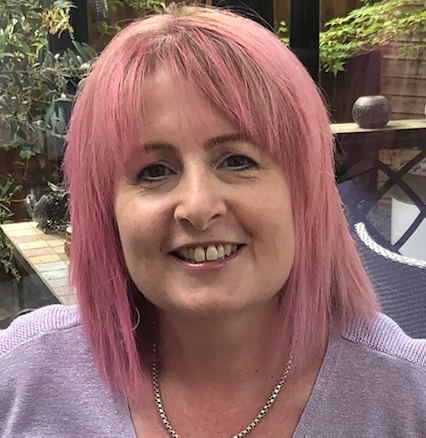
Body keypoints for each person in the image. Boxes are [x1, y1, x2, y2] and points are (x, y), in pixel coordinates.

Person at [1, 5, 426, 438]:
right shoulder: (22, 376)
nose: (198, 207)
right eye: (154, 170)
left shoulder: (408, 397)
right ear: (105, 211)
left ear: (305, 192)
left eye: (237, 161)